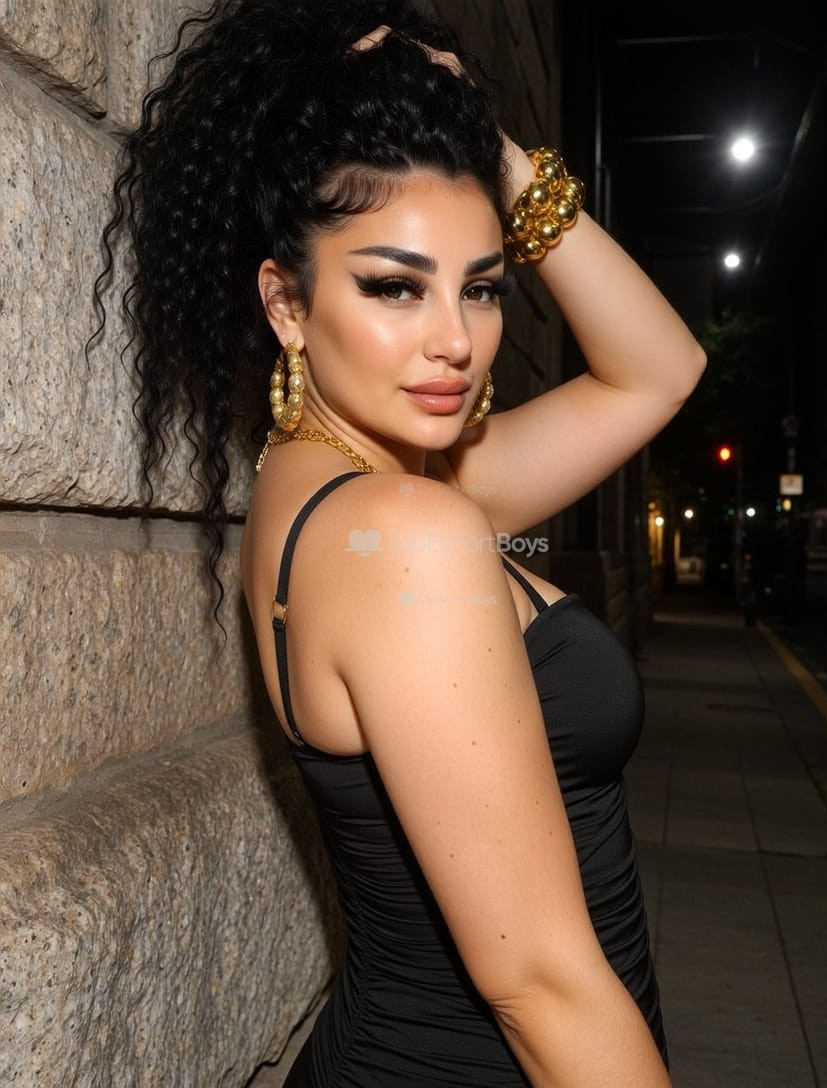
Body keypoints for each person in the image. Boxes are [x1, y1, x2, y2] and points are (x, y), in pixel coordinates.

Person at [96, 1, 705, 1083]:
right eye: (393, 286)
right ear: (286, 304)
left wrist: (493, 152)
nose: (455, 342)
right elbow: (542, 988)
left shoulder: (354, 489)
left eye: (481, 288)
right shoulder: (404, 530)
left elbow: (658, 371)